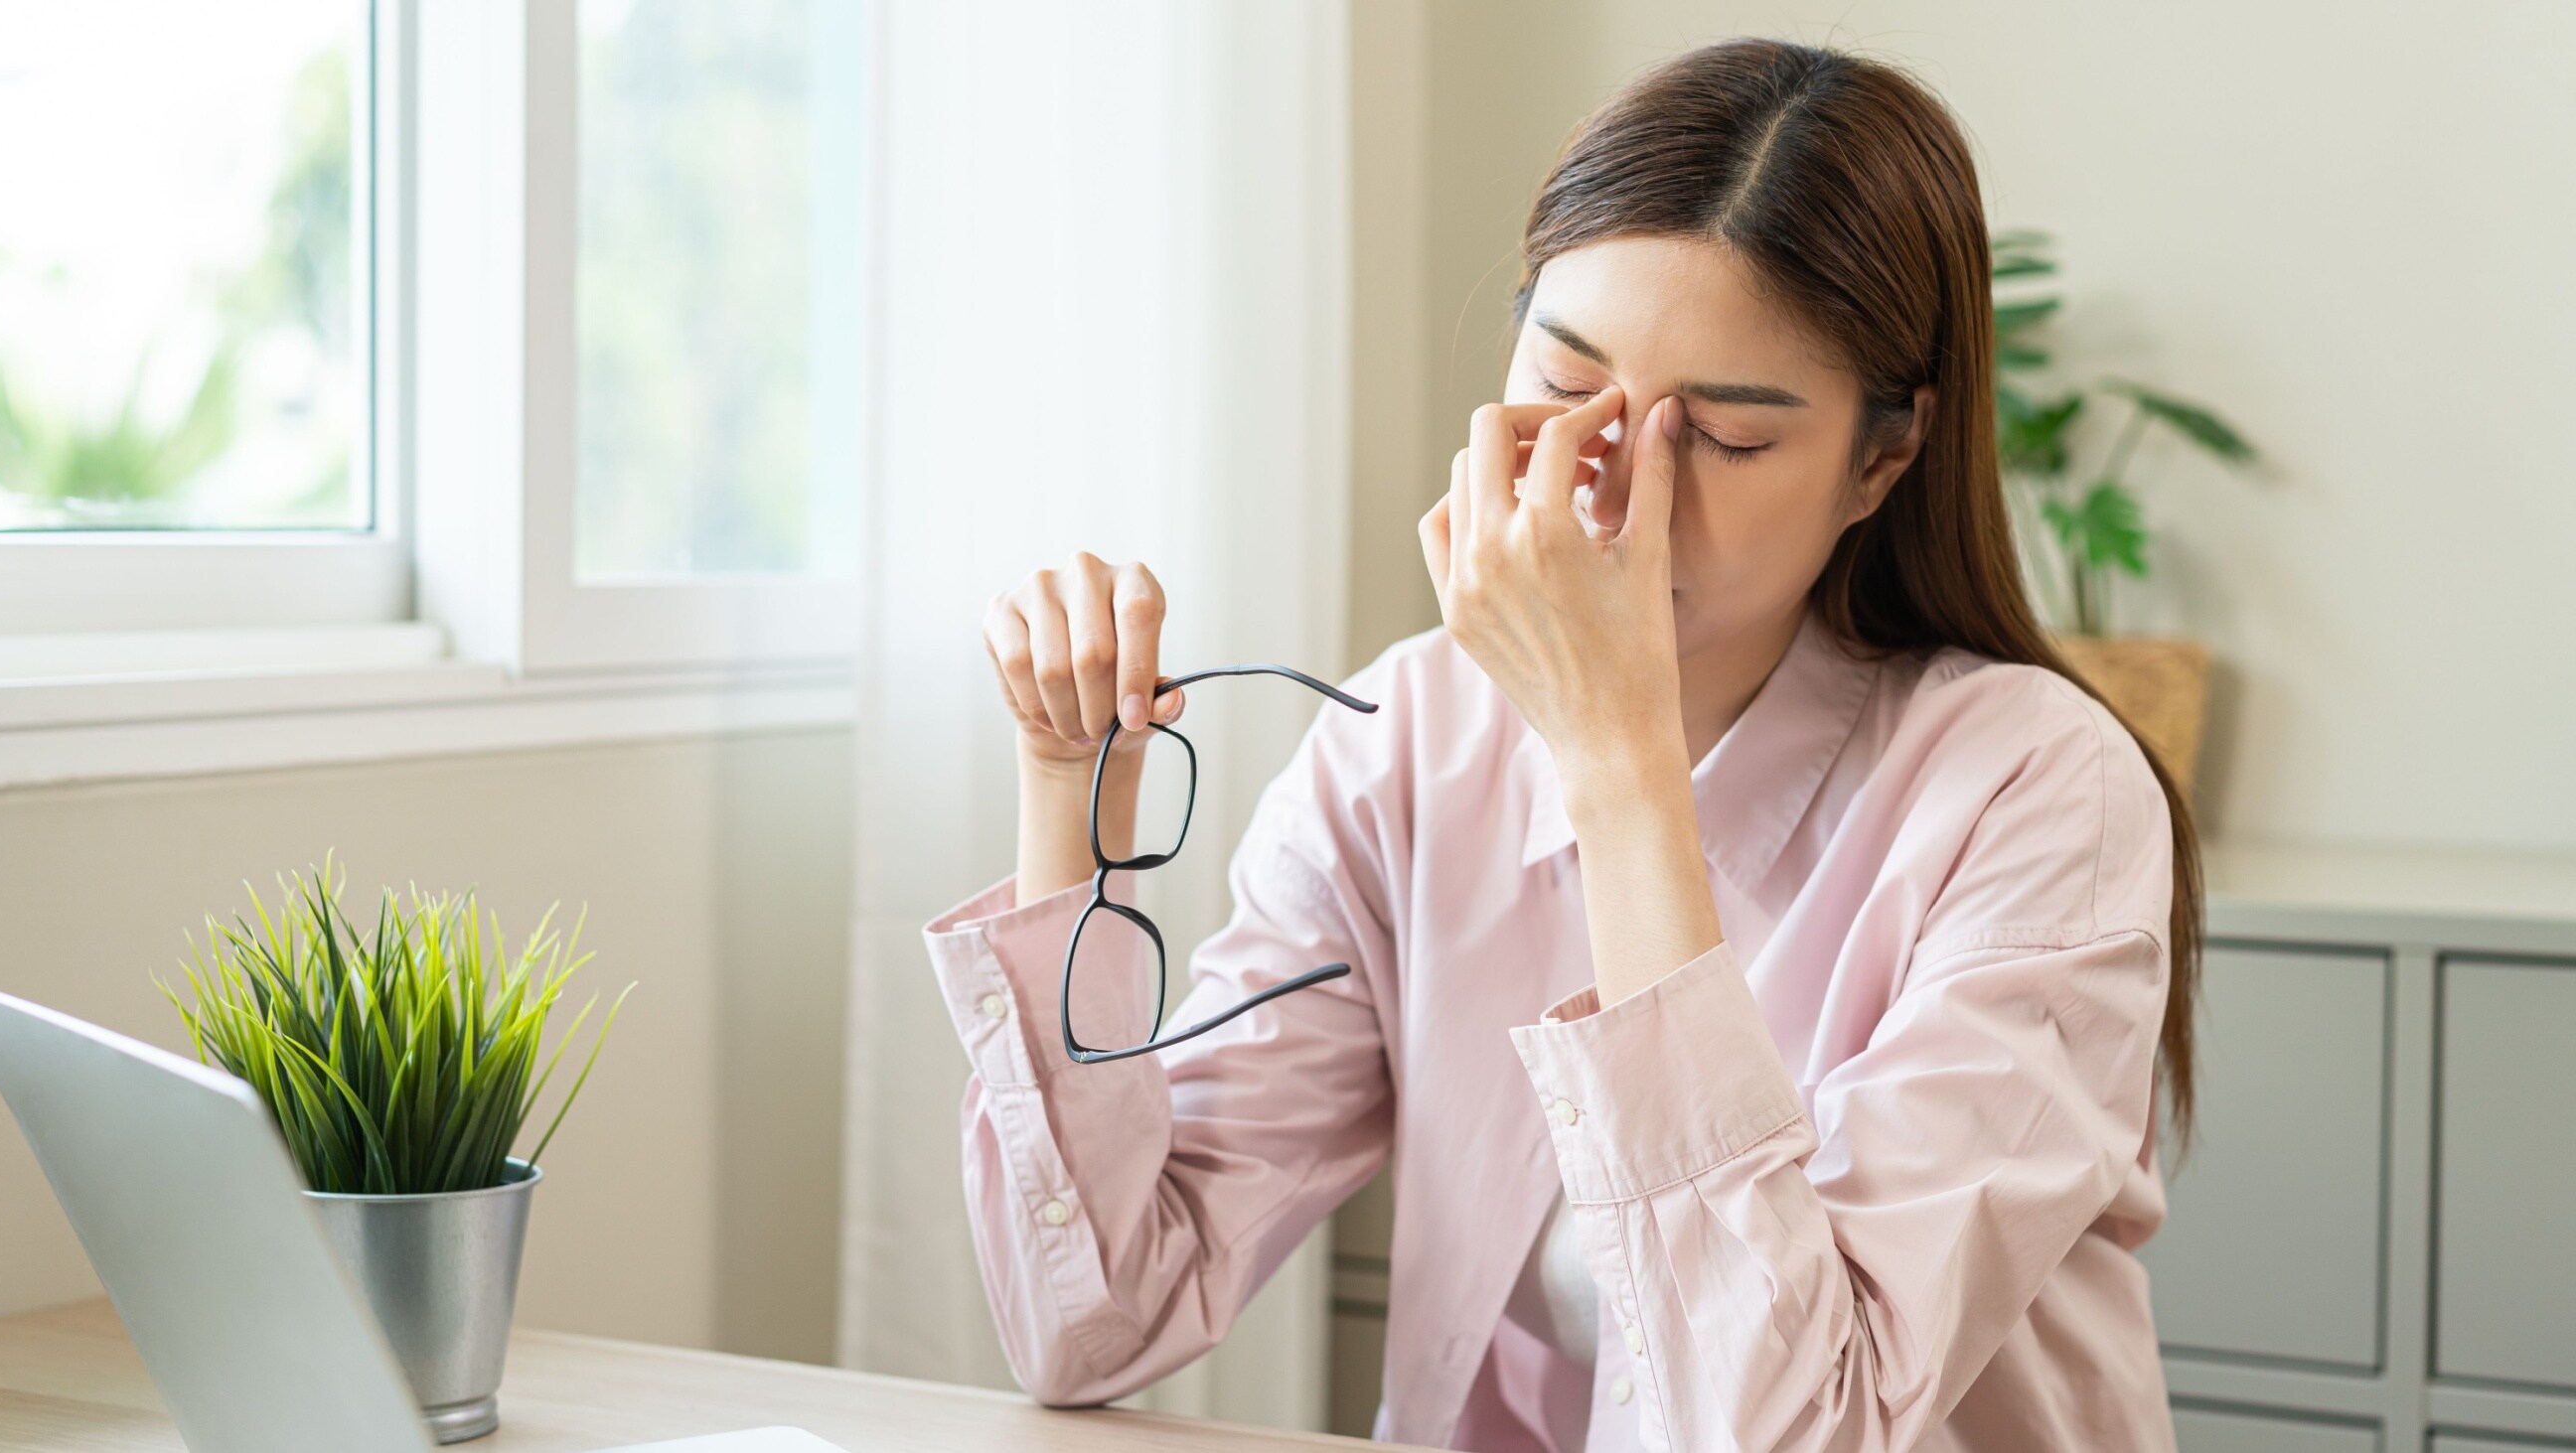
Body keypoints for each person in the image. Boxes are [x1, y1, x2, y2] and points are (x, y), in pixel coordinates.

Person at [931, 37, 2198, 1453]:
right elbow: (1099, 1321)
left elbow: (1783, 1431)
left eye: (1718, 436)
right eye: (1563, 376)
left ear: (1882, 459)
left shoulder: (2042, 795)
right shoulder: (1409, 744)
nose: (1613, 487)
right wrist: (1067, 798)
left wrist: (1616, 762)